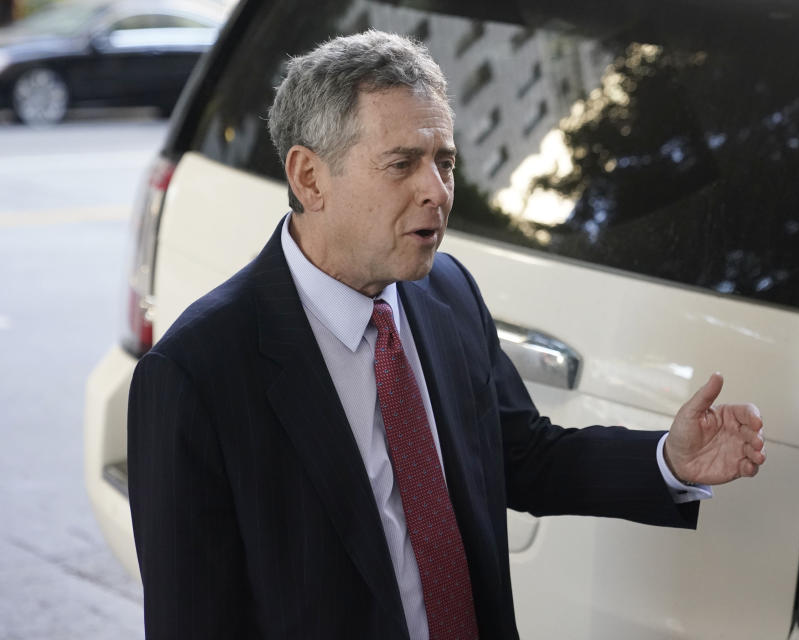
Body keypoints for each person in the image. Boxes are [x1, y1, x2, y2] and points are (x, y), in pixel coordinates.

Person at [127, 30, 766, 640]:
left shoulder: (446, 291)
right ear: (310, 177)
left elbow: (523, 456)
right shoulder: (195, 376)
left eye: (445, 162)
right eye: (402, 164)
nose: (436, 192)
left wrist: (669, 461)